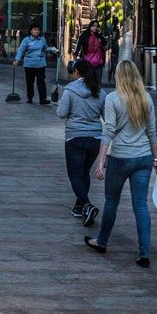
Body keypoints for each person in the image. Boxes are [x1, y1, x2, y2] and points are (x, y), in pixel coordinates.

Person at [84, 61, 157, 266]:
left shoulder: (113, 98)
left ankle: (102, 241)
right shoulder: (146, 98)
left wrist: (100, 161)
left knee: (111, 201)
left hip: (120, 157)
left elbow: (107, 131)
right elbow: (152, 131)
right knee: (141, 206)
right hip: (143, 157)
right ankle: (144, 253)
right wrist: (156, 157)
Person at [56, 60, 104, 224]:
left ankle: (87, 205)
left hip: (75, 137)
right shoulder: (99, 91)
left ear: (77, 72)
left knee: (75, 174)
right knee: (84, 173)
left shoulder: (70, 90)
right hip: (96, 138)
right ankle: (79, 207)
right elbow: (107, 116)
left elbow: (61, 113)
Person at [13, 23, 52, 104]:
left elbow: (45, 48)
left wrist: (52, 49)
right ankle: (30, 97)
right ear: (31, 31)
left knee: (41, 81)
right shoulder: (26, 40)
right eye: (34, 30)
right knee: (29, 81)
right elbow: (21, 50)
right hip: (29, 64)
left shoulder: (42, 39)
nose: (36, 31)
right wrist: (17, 59)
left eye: (38, 30)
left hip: (40, 63)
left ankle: (43, 99)